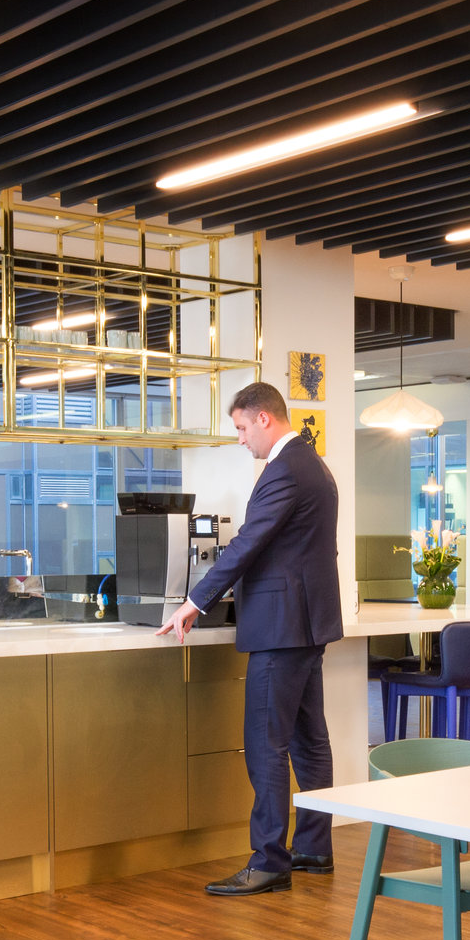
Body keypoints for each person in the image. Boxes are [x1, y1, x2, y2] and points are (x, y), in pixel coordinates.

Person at [156, 382, 342, 896]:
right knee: (308, 741)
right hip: (306, 624)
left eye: (241, 427)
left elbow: (246, 544)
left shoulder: (285, 469)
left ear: (264, 418)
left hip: (283, 626)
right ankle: (313, 847)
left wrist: (195, 601)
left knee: (265, 744)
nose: (240, 439)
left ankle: (269, 862)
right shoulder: (313, 464)